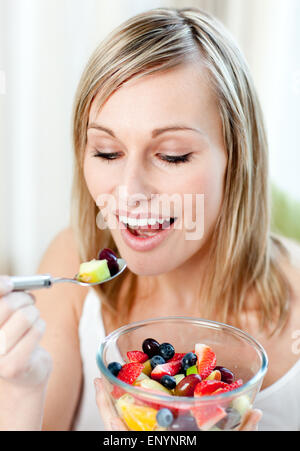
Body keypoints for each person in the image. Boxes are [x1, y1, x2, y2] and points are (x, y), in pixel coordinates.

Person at [0, 7, 300, 432]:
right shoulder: (70, 262)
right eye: (107, 152)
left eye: (171, 155)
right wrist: (19, 392)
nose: (129, 192)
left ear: (236, 159)